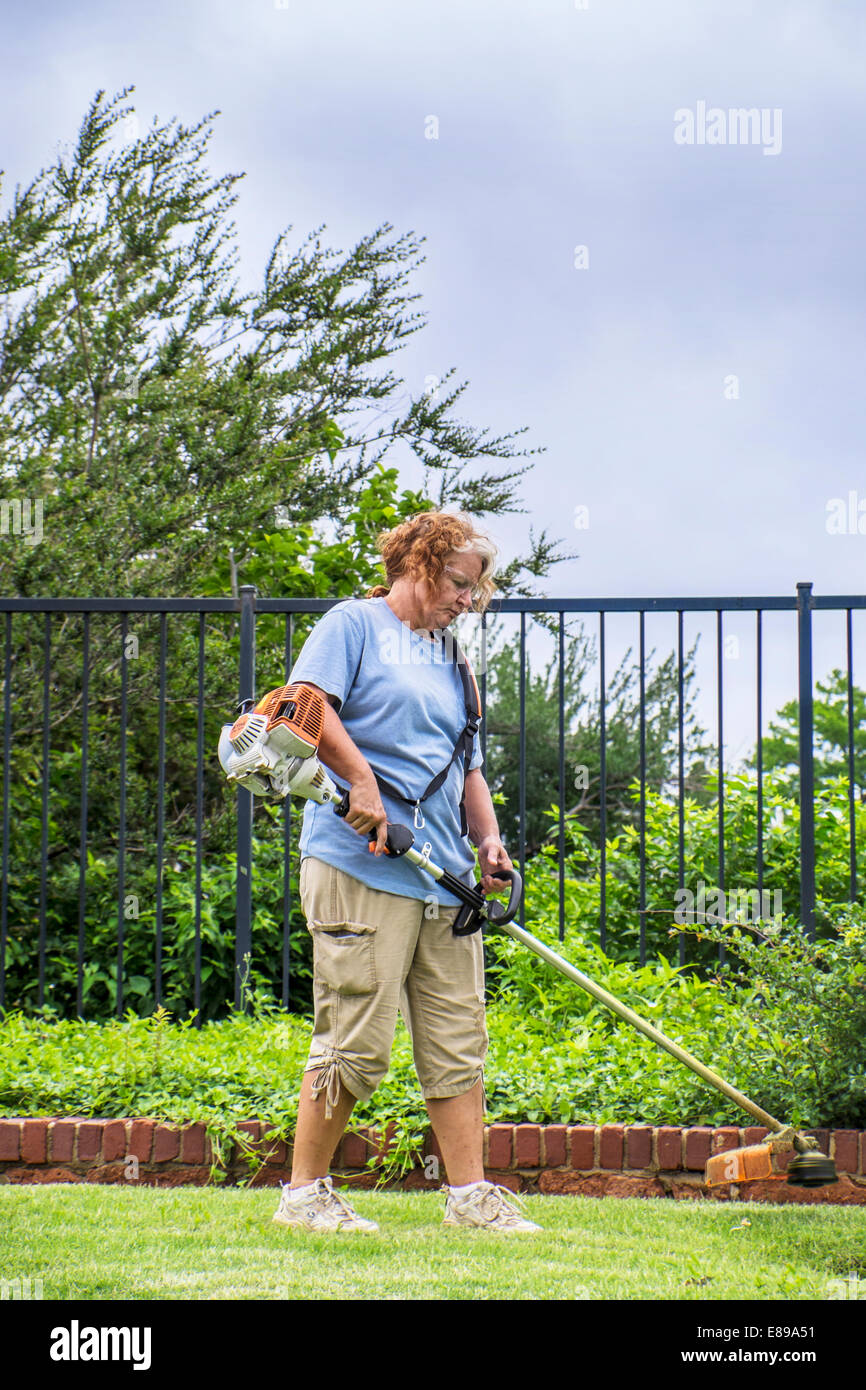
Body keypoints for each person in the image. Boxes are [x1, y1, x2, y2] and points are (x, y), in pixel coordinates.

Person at [272, 510, 541, 1233]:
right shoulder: (353, 625)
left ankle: (470, 1197)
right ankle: (304, 1196)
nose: (467, 601)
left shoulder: (453, 660)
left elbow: (469, 766)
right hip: (359, 864)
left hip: (442, 878)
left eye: (476, 592)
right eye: (460, 584)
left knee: (458, 1039)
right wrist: (361, 782)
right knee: (356, 1034)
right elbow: (305, 707)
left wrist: (487, 843)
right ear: (419, 564)